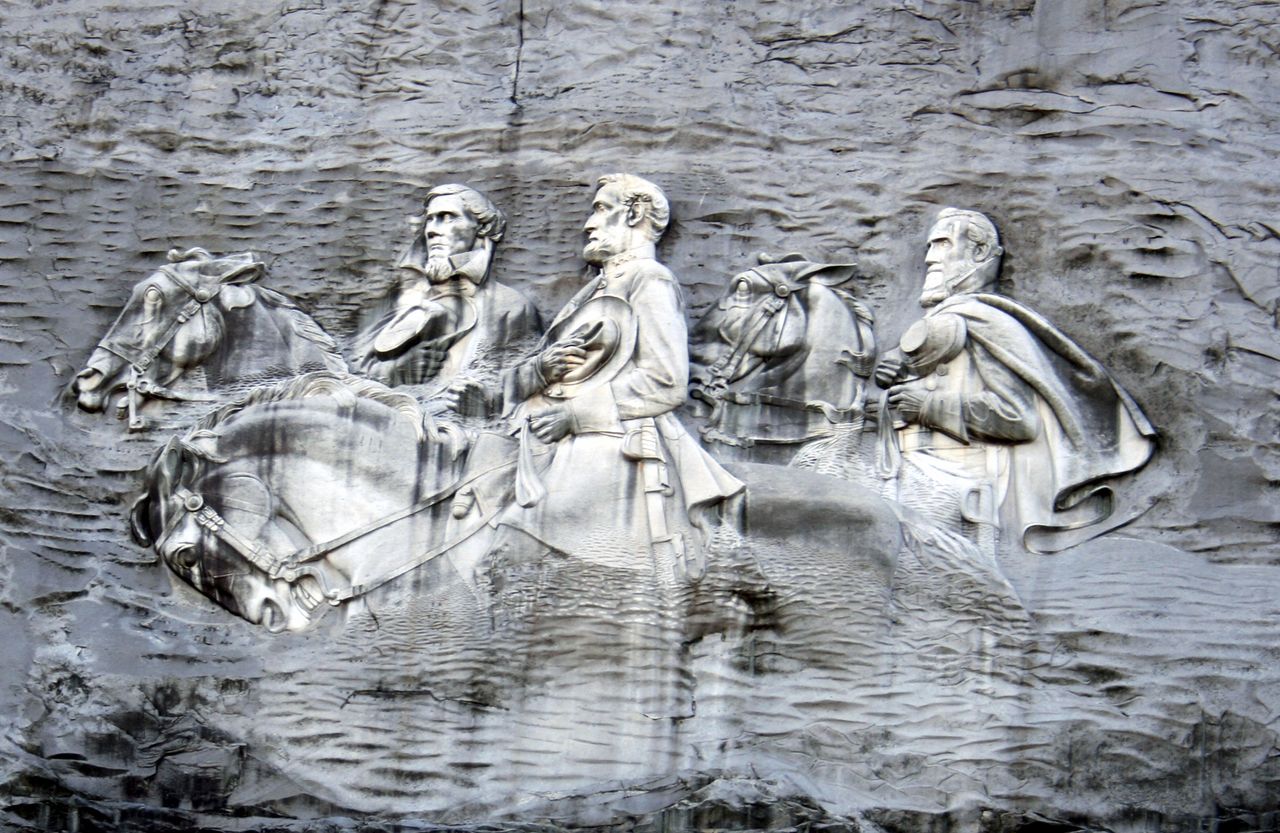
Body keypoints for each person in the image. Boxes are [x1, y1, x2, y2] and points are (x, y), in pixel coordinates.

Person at [449, 174, 743, 579]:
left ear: (635, 214)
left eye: (601, 209)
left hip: (609, 438)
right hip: (540, 433)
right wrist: (539, 369)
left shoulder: (649, 279)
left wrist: (576, 416)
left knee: (515, 548)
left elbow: (665, 380)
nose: (589, 223)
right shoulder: (594, 289)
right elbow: (546, 370)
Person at [872, 207, 1155, 553]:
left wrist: (928, 405)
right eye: (930, 246)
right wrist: (888, 394)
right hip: (905, 476)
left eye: (943, 244)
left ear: (978, 253)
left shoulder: (986, 323)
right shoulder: (941, 326)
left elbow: (1018, 419)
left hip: (955, 491)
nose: (930, 258)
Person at [352, 184, 540, 391]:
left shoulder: (510, 305)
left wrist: (481, 396)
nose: (432, 230)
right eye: (430, 220)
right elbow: (354, 369)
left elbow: (524, 380)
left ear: (481, 227)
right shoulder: (402, 298)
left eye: (448, 217)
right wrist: (399, 368)